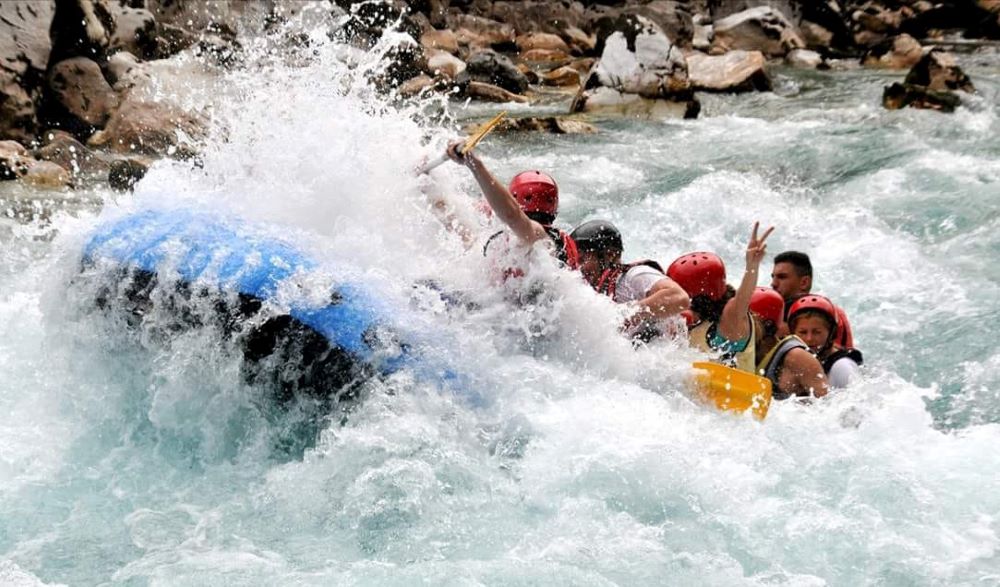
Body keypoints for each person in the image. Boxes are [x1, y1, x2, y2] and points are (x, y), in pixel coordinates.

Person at [445, 142, 578, 273]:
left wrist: (475, 164)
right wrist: (430, 186)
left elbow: (512, 215)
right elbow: (461, 229)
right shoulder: (526, 236)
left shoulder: (539, 237)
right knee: (466, 237)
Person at [667, 222, 773, 373]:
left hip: (739, 394)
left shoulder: (729, 320)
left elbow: (741, 301)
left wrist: (752, 267)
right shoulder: (690, 320)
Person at [569, 219, 689, 341]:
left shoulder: (634, 276)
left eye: (582, 260)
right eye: (574, 262)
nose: (578, 268)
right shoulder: (589, 293)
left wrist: (628, 313)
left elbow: (679, 297)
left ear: (610, 255)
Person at [749, 287, 829, 399]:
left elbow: (827, 405)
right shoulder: (744, 352)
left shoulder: (797, 357)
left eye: (745, 319)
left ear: (767, 325)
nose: (738, 325)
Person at [771, 250, 854, 346]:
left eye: (782, 277)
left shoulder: (831, 314)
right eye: (773, 277)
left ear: (804, 282)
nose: (773, 284)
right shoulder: (836, 311)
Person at [787, 294, 863, 388]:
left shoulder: (843, 367)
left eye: (817, 332)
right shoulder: (793, 362)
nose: (809, 338)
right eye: (803, 332)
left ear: (831, 334)